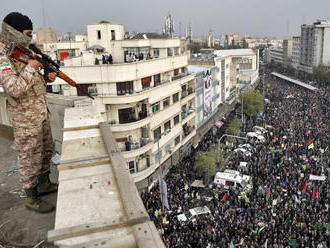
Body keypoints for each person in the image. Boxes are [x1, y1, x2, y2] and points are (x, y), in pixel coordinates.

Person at [0, 12, 58, 213]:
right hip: (24, 117)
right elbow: (13, 88)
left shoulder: (22, 49)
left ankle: (44, 183)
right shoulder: (2, 54)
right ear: (14, 31)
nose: (29, 38)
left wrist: (46, 78)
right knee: (29, 157)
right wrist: (31, 69)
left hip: (40, 110)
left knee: (45, 150)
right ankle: (31, 197)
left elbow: (32, 80)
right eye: (27, 33)